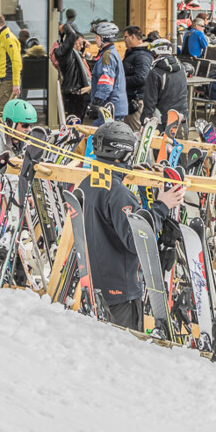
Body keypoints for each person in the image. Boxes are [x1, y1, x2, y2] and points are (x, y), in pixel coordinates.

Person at [83, 121, 183, 331]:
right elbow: (135, 239)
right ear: (125, 153)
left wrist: (127, 172)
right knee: (125, 350)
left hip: (95, 286)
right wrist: (162, 206)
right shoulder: (118, 193)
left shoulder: (89, 182)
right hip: (121, 292)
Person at [139, 38, 190, 130]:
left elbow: (150, 100)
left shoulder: (155, 72)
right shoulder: (181, 68)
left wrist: (145, 120)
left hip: (163, 119)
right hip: (182, 116)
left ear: (155, 53)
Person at [89, 22, 128, 120]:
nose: (95, 39)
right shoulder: (109, 53)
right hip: (112, 108)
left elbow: (106, 84)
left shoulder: (107, 56)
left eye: (97, 37)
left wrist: (96, 103)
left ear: (104, 38)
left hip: (109, 110)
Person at [0, 14, 23, 116]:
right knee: (6, 113)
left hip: (9, 81)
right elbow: (4, 64)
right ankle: (6, 132)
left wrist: (15, 83)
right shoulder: (3, 39)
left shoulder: (8, 39)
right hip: (8, 80)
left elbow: (16, 62)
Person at [121, 25, 153, 129]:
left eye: (125, 37)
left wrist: (120, 80)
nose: (124, 40)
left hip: (136, 100)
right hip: (131, 98)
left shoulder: (141, 55)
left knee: (136, 132)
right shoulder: (133, 53)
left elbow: (142, 78)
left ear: (133, 36)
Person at [60, 33, 94, 122]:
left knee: (79, 119)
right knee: (75, 121)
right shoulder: (69, 54)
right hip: (75, 94)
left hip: (81, 93)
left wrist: (82, 46)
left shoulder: (77, 54)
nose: (81, 45)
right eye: (79, 43)